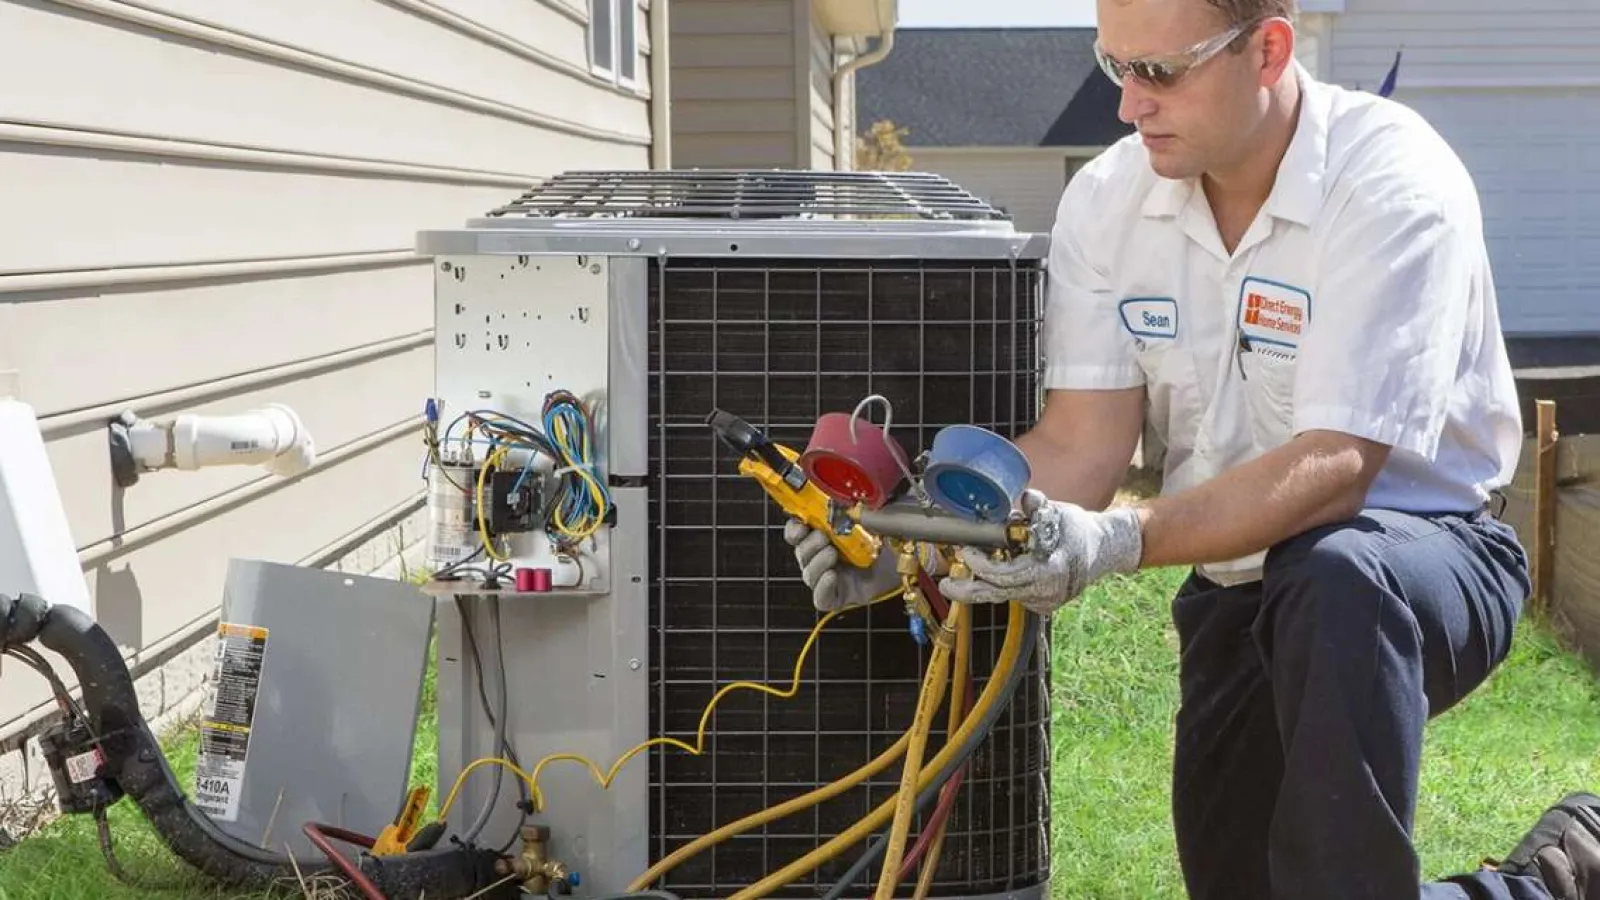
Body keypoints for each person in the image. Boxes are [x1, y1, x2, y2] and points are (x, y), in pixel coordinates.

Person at [783, 1, 1597, 899]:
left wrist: (1121, 540)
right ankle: (1548, 883)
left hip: (1418, 563)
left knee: (1335, 575)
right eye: (1116, 67)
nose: (1129, 107)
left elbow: (1336, 467)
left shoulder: (1391, 181)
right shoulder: (1110, 199)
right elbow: (1080, 446)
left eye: (1159, 73)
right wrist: (917, 541)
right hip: (1235, 582)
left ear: (1269, 49)